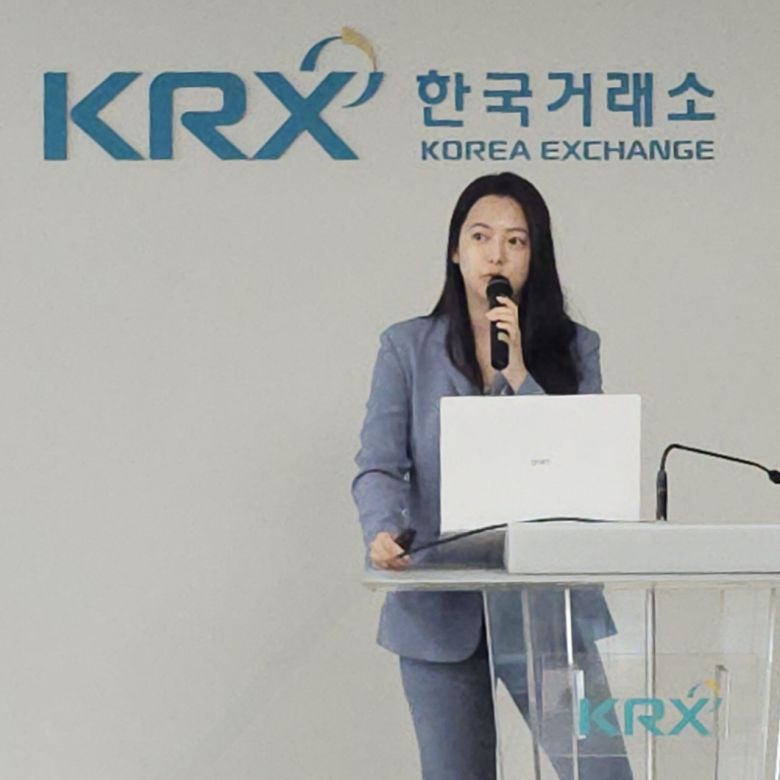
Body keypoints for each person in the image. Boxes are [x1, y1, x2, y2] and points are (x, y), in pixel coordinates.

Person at [351, 172, 633, 779]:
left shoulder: (575, 349)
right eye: (480, 237)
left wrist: (521, 375)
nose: (496, 255)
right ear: (456, 251)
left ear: (535, 257)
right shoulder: (406, 348)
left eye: (515, 241)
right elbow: (379, 463)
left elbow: (579, 468)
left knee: (602, 772)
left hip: (548, 611)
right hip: (440, 607)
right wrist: (381, 530)